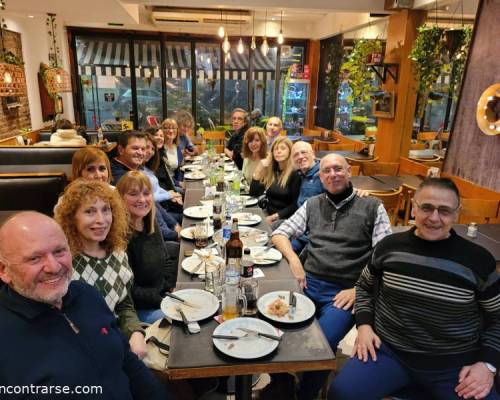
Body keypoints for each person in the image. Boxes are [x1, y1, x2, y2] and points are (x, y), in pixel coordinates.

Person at [329, 178, 500, 400]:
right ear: (414, 206)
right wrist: (364, 326)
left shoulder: (478, 261)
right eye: (426, 207)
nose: (434, 218)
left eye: (444, 211)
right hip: (389, 352)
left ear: (457, 213)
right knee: (341, 393)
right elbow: (364, 287)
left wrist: (487, 365)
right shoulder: (389, 247)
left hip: (454, 365)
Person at [0, 212, 170, 399]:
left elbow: (128, 363)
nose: (54, 267)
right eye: (35, 258)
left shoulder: (87, 294)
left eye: (59, 251)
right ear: (4, 270)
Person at [272, 153, 392, 400]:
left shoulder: (372, 206)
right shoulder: (313, 204)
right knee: (275, 330)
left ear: (349, 172)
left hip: (343, 292)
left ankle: (303, 394)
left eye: (338, 169)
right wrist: (295, 262)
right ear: (321, 176)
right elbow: (280, 234)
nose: (332, 174)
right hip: (307, 282)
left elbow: (384, 257)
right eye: (326, 171)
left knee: (320, 344)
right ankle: (281, 383)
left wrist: (359, 288)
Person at [54, 179, 147, 359]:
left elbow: (124, 305)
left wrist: (135, 332)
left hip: (118, 340)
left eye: (106, 210)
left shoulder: (118, 253)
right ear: (71, 218)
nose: (101, 220)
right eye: (89, 211)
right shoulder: (62, 265)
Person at [117, 171, 177, 324]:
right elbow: (130, 290)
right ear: (120, 198)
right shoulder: (120, 237)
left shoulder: (149, 222)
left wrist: (170, 287)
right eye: (133, 194)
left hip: (162, 296)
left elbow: (166, 259)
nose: (142, 199)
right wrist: (163, 300)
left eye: (146, 193)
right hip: (142, 309)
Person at [249, 136, 301, 225]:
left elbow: (295, 205)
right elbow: (254, 193)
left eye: (283, 148)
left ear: (290, 152)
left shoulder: (295, 173)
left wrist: (274, 217)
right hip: (267, 213)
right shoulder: (272, 171)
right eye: (276, 149)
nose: (279, 151)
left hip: (284, 219)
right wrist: (258, 171)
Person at [161, 118, 184, 187]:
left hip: (176, 181)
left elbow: (179, 169)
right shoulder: (160, 149)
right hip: (167, 185)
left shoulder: (176, 147)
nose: (171, 131)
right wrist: (178, 183)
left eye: (174, 128)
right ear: (162, 130)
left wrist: (181, 182)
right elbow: (163, 176)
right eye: (167, 128)